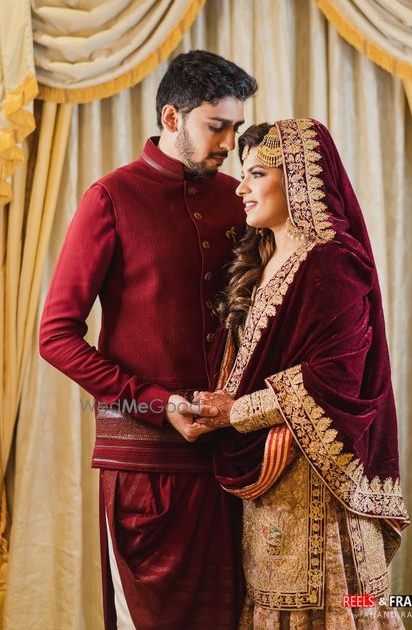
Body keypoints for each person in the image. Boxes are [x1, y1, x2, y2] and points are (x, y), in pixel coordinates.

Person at [39, 50, 257, 629]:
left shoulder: (240, 200)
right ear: (171, 118)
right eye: (217, 126)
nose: (228, 142)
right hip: (143, 469)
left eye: (235, 127)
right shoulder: (110, 198)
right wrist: (159, 405)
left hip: (234, 461)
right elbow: (56, 336)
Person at [193, 118, 410, 628]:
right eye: (243, 174)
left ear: (299, 181)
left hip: (321, 482)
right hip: (271, 484)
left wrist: (235, 412)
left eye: (258, 174)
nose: (241, 188)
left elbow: (336, 378)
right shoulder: (265, 258)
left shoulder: (333, 261)